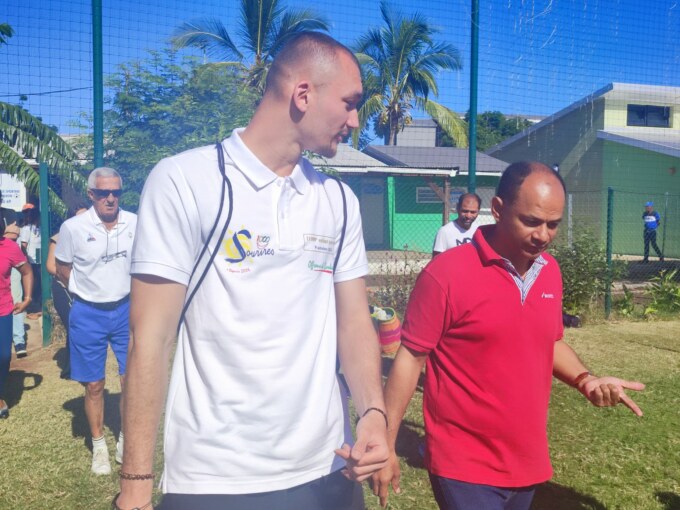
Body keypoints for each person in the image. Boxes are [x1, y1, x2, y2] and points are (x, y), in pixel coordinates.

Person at [117, 32, 388, 510]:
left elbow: (354, 322)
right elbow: (151, 339)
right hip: (216, 478)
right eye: (349, 104)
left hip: (328, 467)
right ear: (303, 95)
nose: (355, 121)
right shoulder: (186, 181)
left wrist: (372, 413)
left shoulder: (338, 201)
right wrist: (136, 484)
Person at [372, 162, 645, 510]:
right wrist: (387, 444)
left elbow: (550, 340)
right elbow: (410, 359)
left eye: (553, 224)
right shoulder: (447, 274)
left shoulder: (551, 273)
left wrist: (585, 379)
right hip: (463, 464)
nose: (543, 235)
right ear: (498, 209)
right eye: (531, 221)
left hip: (527, 463)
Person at [54, 168, 137, 475]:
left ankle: (126, 438)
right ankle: (99, 445)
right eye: (103, 193)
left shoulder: (135, 222)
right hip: (88, 313)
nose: (111, 198)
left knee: (131, 379)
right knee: (93, 384)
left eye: (116, 191)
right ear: (91, 195)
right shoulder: (73, 228)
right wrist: (84, 292)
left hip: (126, 309)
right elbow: (62, 268)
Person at [47, 205, 88, 379]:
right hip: (64, 288)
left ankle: (79, 365)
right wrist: (69, 278)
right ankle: (71, 368)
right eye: (79, 216)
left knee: (82, 326)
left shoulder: (93, 237)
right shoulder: (58, 238)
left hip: (86, 289)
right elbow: (50, 266)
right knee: (73, 324)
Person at [0, 220, 33, 419]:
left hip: (3, 310)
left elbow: (27, 271)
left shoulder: (9, 247)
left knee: (3, 356)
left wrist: (28, 298)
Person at [432, 193, 482, 257]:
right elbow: (436, 261)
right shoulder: (445, 232)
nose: (468, 216)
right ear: (457, 208)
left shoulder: (479, 231)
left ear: (478, 211)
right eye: (465, 211)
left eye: (473, 212)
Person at [4, 224, 27, 357]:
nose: (10, 241)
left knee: (16, 302)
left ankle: (19, 341)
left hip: (15, 269)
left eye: (14, 239)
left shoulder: (15, 247)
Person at [19, 203, 42, 319]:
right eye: (26, 212)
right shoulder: (26, 228)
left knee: (39, 284)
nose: (29, 215)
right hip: (30, 260)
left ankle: (38, 307)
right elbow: (23, 246)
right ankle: (32, 308)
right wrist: (26, 259)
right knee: (33, 284)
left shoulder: (39, 228)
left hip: (39, 259)